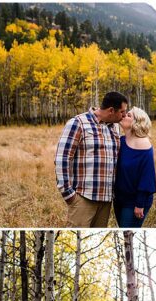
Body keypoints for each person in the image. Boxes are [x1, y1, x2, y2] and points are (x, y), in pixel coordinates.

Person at [55, 91, 128, 227]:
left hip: (106, 200)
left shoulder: (115, 127)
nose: (124, 115)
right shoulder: (78, 123)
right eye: (122, 112)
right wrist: (68, 194)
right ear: (111, 110)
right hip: (83, 198)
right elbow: (62, 158)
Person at [113, 107, 156, 227]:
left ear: (136, 122)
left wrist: (139, 204)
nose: (123, 116)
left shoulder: (143, 144)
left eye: (128, 115)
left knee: (127, 230)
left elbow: (147, 178)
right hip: (119, 198)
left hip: (135, 202)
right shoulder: (121, 141)